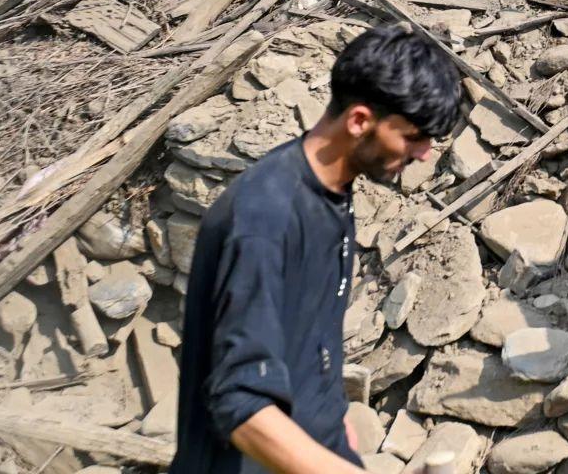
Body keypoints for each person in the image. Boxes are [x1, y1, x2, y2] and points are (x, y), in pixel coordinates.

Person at [171, 24, 465, 474]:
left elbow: (307, 335)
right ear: (360, 121)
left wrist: (335, 424)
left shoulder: (332, 190)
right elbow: (242, 406)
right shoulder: (264, 219)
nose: (425, 154)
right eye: (412, 136)